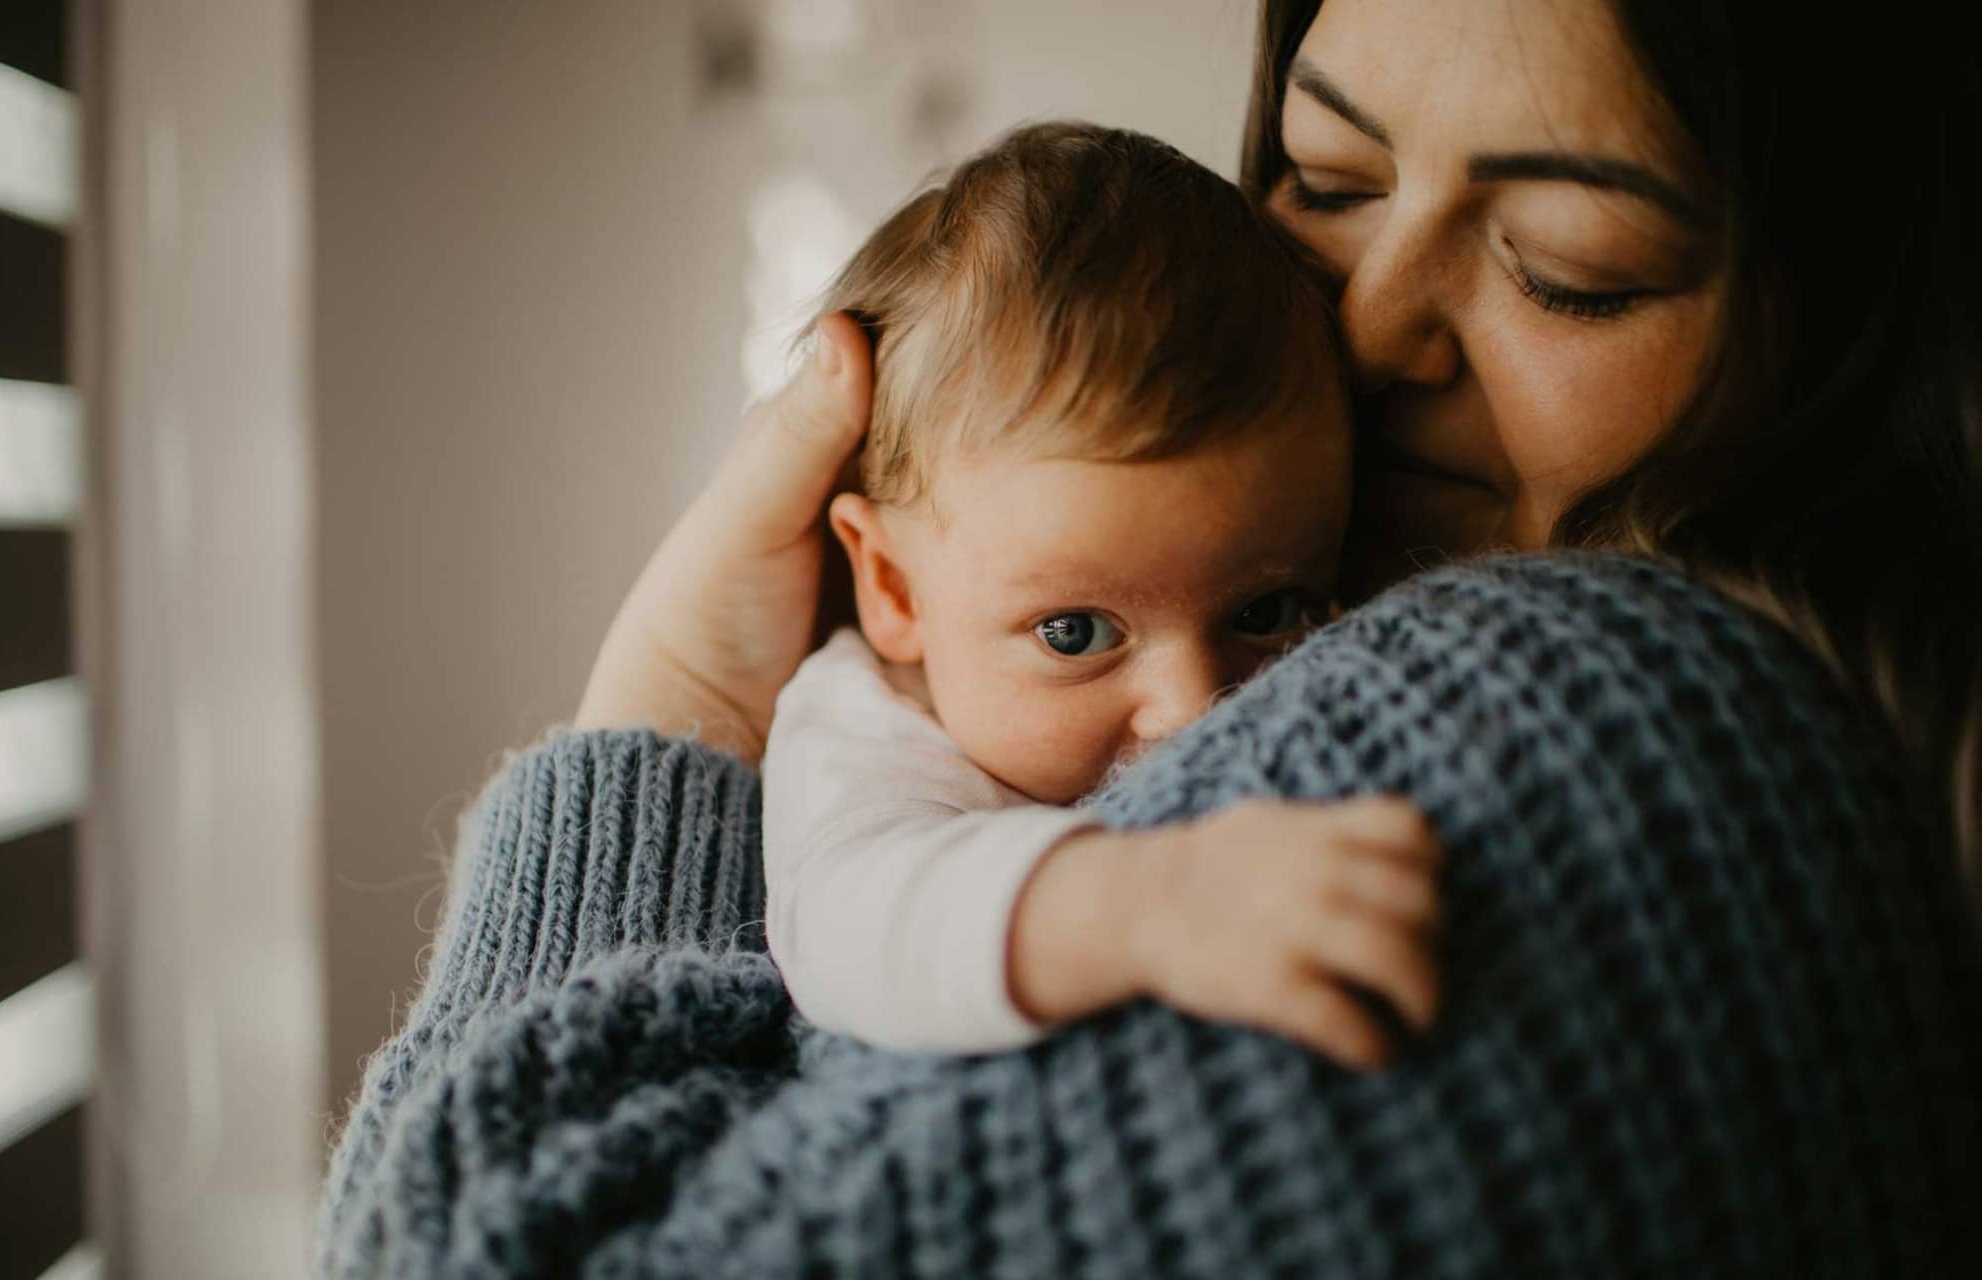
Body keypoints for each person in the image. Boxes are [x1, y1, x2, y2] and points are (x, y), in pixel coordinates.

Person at [318, 1, 1982, 1275]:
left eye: (1572, 270)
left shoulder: (1600, 738)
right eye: (1323, 180)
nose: (1362, 326)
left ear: (1847, 333)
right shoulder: (881, 725)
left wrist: (665, 715)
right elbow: (857, 926)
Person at [765, 121, 1446, 1059]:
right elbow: (846, 928)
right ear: (894, 589)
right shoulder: (868, 732)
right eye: (1076, 633)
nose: (1193, 710)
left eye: (1264, 613)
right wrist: (1146, 903)